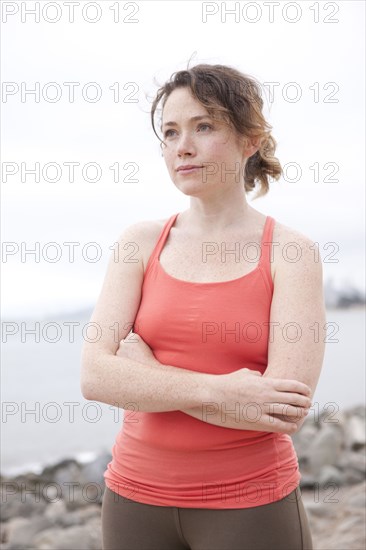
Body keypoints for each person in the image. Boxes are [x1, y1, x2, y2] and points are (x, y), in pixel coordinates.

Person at [80, 63, 326, 550]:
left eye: (204, 126)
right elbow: (95, 377)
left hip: (250, 505)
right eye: (170, 132)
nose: (182, 147)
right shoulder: (140, 242)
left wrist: (148, 377)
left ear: (250, 140)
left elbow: (281, 412)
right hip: (133, 501)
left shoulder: (290, 252)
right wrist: (224, 392)